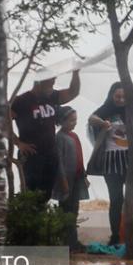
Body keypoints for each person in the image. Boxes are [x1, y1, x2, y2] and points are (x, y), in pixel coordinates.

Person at [11, 69, 80, 200]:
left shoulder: (52, 96)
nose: (53, 84)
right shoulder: (21, 101)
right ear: (39, 82)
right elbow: (3, 122)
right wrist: (18, 143)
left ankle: (41, 216)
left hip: (50, 153)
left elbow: (73, 92)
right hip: (31, 155)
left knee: (46, 193)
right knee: (30, 192)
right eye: (50, 82)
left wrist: (76, 73)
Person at [87, 82, 128, 245]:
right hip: (110, 159)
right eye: (117, 96)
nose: (121, 99)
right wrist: (103, 123)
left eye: (124, 96)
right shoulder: (105, 110)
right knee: (116, 198)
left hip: (130, 158)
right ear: (112, 95)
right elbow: (91, 118)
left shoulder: (132, 108)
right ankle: (115, 235)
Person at [52, 106, 89, 252]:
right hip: (66, 180)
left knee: (74, 210)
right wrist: (63, 181)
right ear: (62, 121)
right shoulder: (59, 138)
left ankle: (73, 242)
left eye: (76, 120)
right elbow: (59, 161)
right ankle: (67, 243)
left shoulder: (74, 136)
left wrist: (84, 176)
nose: (75, 123)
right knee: (66, 211)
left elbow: (80, 157)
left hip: (77, 177)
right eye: (72, 120)